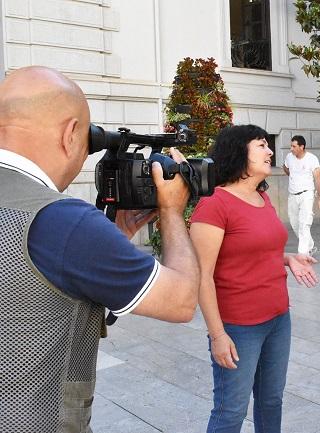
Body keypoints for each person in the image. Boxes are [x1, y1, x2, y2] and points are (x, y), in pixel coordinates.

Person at [0, 66, 200, 433]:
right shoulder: (61, 221)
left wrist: (113, 235)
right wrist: (172, 210)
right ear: (70, 134)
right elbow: (182, 300)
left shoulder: (65, 230)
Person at [189, 125, 318, 433]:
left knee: (271, 401)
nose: (270, 151)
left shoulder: (263, 199)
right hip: (239, 328)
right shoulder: (214, 205)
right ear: (238, 153)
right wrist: (217, 335)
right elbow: (202, 276)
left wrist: (288, 258)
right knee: (231, 411)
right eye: (261, 145)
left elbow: (256, 246)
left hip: (278, 320)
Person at [282, 135, 320, 255]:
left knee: (304, 224)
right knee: (295, 223)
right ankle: (310, 246)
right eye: (291, 146)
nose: (291, 148)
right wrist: (293, 176)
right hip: (292, 195)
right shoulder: (289, 157)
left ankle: (303, 254)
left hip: (307, 194)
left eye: (294, 146)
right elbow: (285, 168)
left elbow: (318, 179)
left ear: (302, 147)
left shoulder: (312, 159)